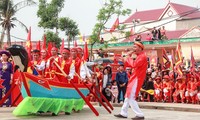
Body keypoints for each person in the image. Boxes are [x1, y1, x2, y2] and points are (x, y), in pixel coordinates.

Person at [114, 41, 147, 120]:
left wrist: (127, 58)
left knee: (131, 96)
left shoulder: (142, 56)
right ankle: (123, 113)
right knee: (127, 96)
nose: (133, 48)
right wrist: (125, 59)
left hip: (137, 78)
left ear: (140, 48)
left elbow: (134, 64)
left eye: (135, 47)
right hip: (134, 77)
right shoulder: (139, 56)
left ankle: (139, 114)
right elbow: (130, 64)